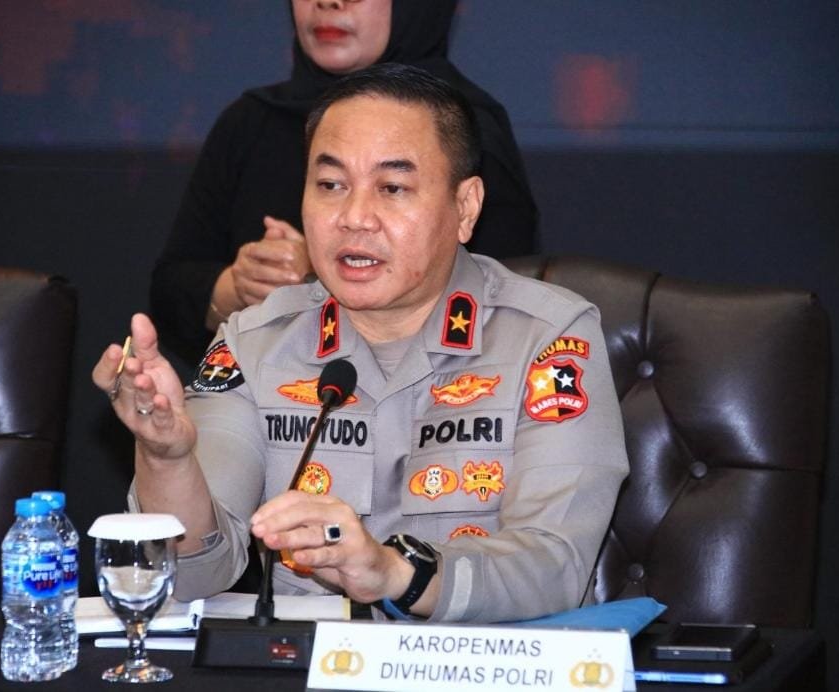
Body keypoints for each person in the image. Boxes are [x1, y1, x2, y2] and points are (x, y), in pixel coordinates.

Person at [96, 64, 626, 623]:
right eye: (331, 185)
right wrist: (167, 459)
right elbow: (195, 574)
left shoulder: (546, 339)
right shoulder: (255, 343)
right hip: (308, 661)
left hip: (480, 660)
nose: (353, 218)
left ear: (466, 206)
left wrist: (397, 574)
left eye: (392, 188)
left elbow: (555, 564)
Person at [150, 0, 539, 370]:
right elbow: (171, 288)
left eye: (392, 186)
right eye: (330, 184)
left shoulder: (463, 130)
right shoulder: (251, 121)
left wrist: (322, 275)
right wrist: (238, 286)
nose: (329, 3)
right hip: (268, 394)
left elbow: (500, 304)